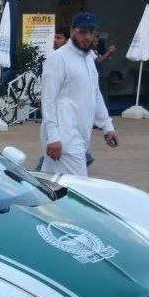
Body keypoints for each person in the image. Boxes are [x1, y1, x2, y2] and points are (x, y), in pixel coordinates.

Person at [40, 12, 118, 177]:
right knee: (78, 185)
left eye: (91, 32)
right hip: (64, 136)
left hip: (81, 135)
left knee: (51, 184)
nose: (87, 37)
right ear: (72, 31)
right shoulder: (58, 58)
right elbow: (48, 100)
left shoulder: (89, 58)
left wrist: (107, 126)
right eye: (82, 32)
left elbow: (95, 94)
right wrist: (53, 137)